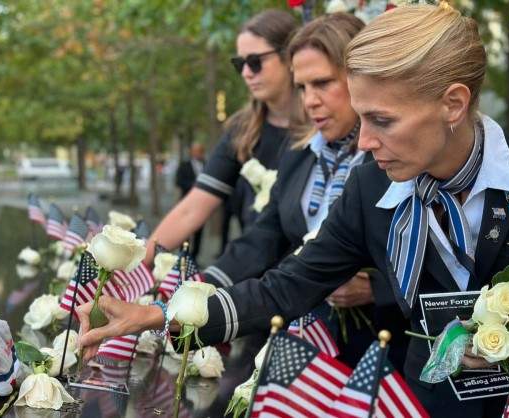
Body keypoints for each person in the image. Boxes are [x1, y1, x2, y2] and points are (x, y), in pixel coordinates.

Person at [78, 4, 509, 417]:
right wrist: (162, 313)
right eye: (361, 118)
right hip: (424, 402)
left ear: (453, 103)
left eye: (382, 120)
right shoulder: (371, 184)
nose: (367, 141)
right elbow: (288, 285)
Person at [203, 12, 406, 368]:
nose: (309, 100)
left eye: (323, 83)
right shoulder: (298, 156)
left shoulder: (400, 160)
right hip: (305, 349)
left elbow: (446, 264)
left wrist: (376, 290)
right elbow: (262, 239)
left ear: (361, 78)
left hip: (384, 355)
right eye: (302, 87)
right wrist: (199, 289)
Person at [145, 10, 298, 265]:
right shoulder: (242, 129)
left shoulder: (326, 126)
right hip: (255, 274)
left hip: (322, 283)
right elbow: (192, 208)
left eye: (255, 62)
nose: (247, 73)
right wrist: (138, 263)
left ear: (290, 56)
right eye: (240, 64)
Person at [175, 143, 206, 259]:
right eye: (195, 151)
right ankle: (184, 256)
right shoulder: (184, 165)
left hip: (202, 204)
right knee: (185, 232)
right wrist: (194, 186)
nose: (197, 153)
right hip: (186, 201)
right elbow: (178, 181)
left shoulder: (206, 165)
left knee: (199, 232)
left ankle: (195, 257)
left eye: (199, 151)